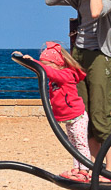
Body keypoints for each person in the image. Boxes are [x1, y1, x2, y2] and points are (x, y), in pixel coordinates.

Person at [45, 0, 111, 173]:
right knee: (83, 116)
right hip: (79, 55)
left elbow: (97, 11)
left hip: (101, 56)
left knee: (100, 116)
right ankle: (95, 167)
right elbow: (51, 0)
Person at [37, 41, 91, 182]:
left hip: (77, 116)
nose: (45, 69)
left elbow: (52, 74)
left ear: (58, 64)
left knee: (81, 143)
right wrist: (28, 62)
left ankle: (85, 170)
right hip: (68, 118)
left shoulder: (66, 74)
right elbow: (47, 72)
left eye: (47, 65)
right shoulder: (53, 77)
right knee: (73, 144)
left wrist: (38, 65)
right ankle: (77, 168)